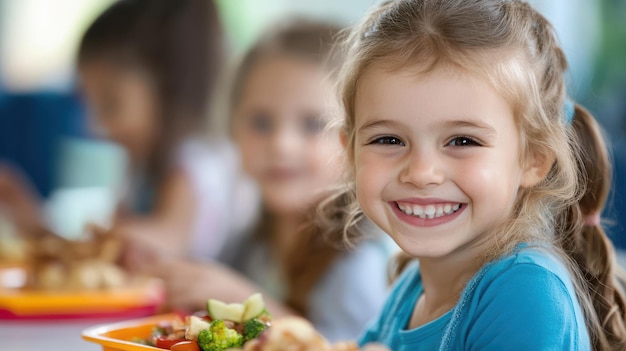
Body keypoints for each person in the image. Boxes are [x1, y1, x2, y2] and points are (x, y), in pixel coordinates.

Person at [321, 0, 626, 349]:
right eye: (388, 139)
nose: (421, 173)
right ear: (350, 151)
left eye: (462, 140)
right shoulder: (413, 286)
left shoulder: (524, 291)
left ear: (533, 158)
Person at [148, 20, 394, 342]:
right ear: (232, 129)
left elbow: (353, 347)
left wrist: (247, 301)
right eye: (261, 122)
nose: (281, 144)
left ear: (354, 139)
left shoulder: (358, 261)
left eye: (312, 124)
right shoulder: (250, 243)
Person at [77, 0, 242, 264]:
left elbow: (170, 239)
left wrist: (101, 236)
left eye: (110, 103)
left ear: (167, 89)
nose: (96, 125)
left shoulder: (195, 162)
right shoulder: (141, 167)